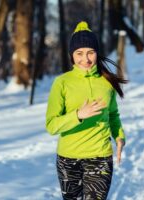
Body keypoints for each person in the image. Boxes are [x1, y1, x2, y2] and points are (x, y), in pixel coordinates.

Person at [45, 21, 127, 200]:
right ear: (71, 55)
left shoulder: (106, 82)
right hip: (68, 159)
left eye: (91, 52)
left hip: (100, 157)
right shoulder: (62, 83)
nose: (86, 59)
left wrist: (119, 136)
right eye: (79, 53)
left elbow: (113, 115)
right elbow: (51, 125)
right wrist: (78, 115)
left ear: (97, 53)